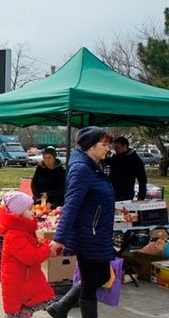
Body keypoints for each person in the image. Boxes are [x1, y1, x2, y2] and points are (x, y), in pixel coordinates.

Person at [48, 127, 114, 318]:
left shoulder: (94, 165)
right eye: (104, 144)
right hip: (88, 234)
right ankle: (62, 307)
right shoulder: (82, 169)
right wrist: (59, 238)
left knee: (98, 277)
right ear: (90, 146)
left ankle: (61, 307)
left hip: (97, 233)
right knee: (91, 280)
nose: (107, 148)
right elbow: (71, 205)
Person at [0, 191, 55, 318]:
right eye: (29, 209)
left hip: (23, 281)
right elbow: (31, 257)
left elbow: (32, 247)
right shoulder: (14, 235)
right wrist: (47, 249)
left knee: (24, 312)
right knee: (18, 313)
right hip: (17, 285)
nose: (34, 211)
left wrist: (44, 244)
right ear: (18, 213)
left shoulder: (23, 231)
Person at [108, 136, 147, 201]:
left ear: (124, 146)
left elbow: (142, 180)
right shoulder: (116, 157)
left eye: (117, 147)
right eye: (115, 148)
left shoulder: (135, 160)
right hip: (111, 192)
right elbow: (108, 161)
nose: (116, 150)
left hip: (125, 194)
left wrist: (141, 197)